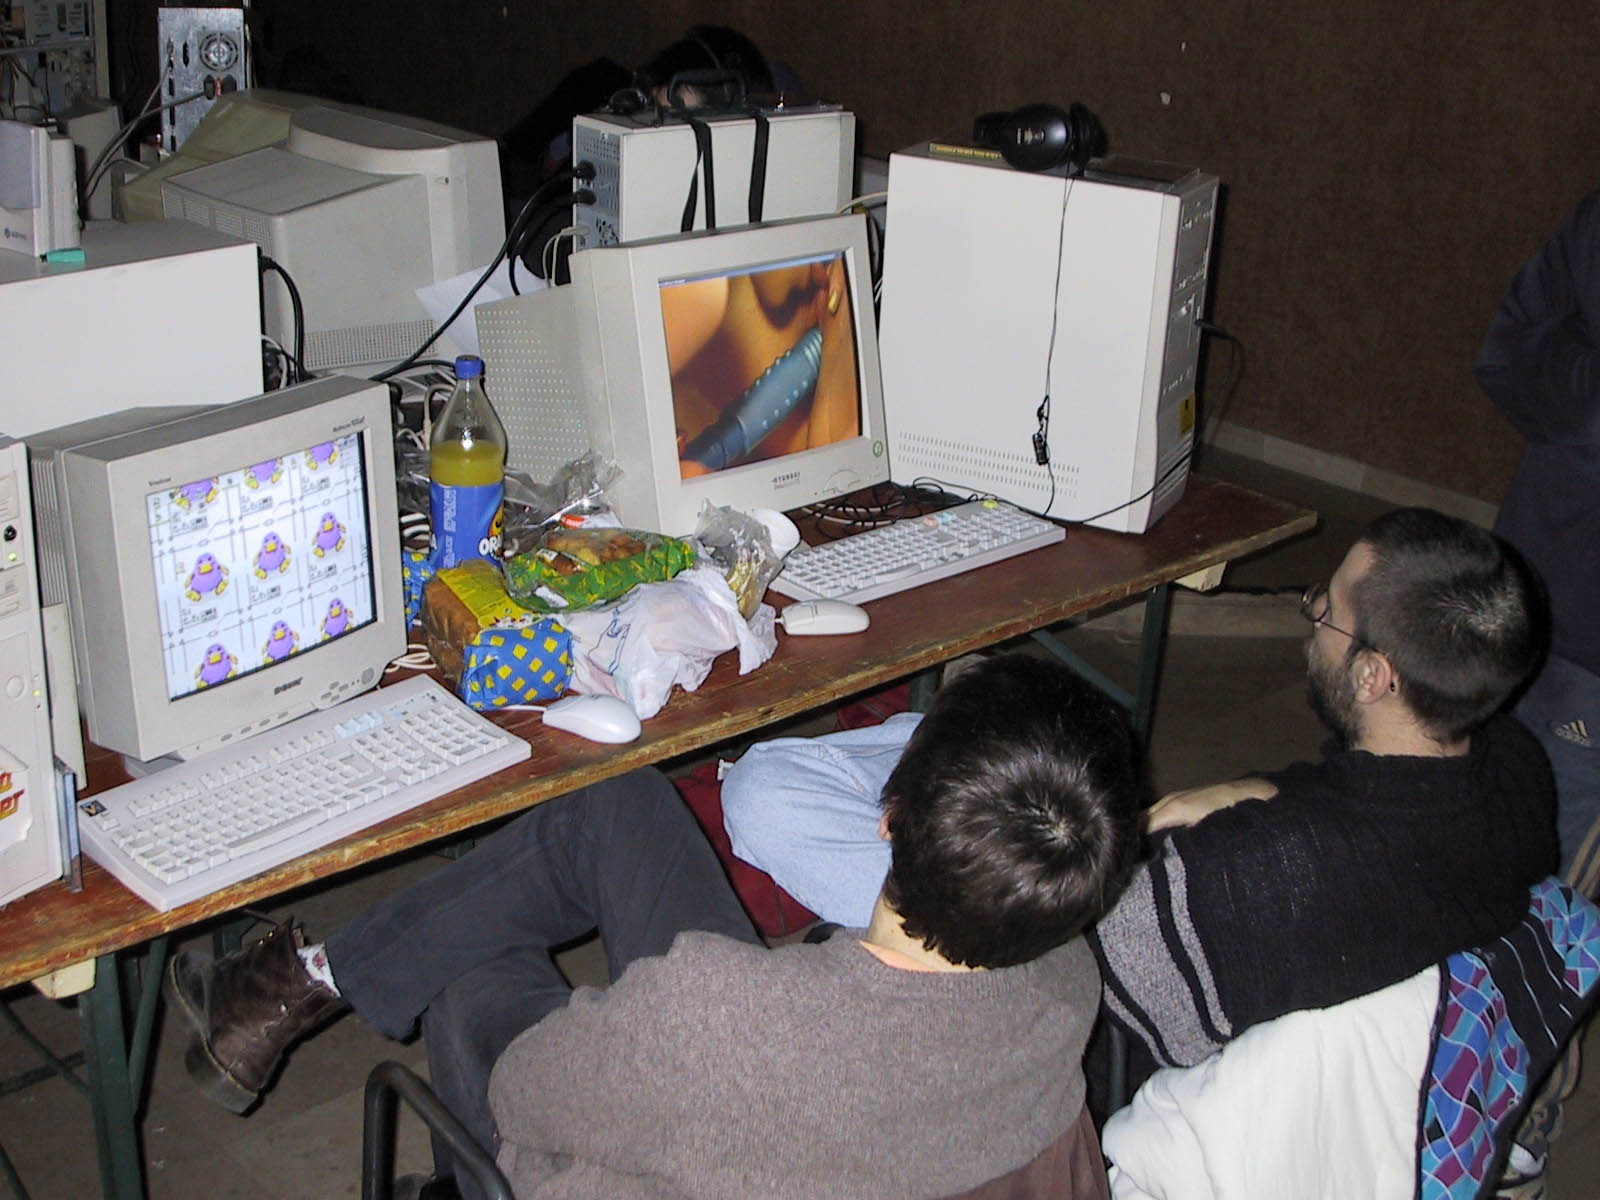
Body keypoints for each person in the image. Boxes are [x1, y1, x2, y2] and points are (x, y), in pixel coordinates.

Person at [167, 653, 1140, 1200]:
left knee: (473, 963)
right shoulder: (1067, 984)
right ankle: (305, 981)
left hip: (662, 1118)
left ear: (884, 817)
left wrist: (628, 1029)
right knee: (614, 803)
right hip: (803, 1100)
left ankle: (295, 989)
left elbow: (531, 1101)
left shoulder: (716, 1014)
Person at [721, 506, 1558, 1098]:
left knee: (765, 795)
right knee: (986, 733)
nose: (1311, 619)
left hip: (1034, 996)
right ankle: (942, 739)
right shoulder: (1516, 769)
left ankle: (920, 757)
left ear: (1373, 675)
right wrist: (1256, 789)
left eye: (1326, 611)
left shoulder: (1245, 878)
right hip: (1140, 929)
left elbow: (1045, 946)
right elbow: (1353, 800)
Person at [1474, 186, 1600, 1189]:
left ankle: (1522, 1114)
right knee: (1489, 845)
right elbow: (1508, 352)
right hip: (1536, 581)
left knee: (1555, 887)